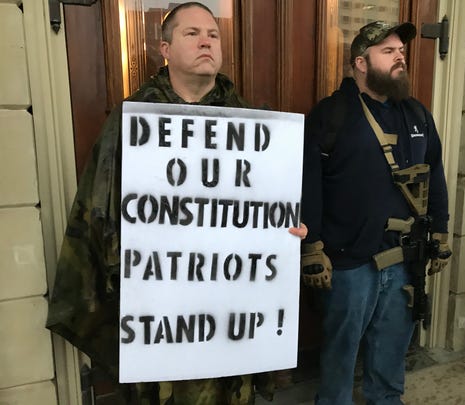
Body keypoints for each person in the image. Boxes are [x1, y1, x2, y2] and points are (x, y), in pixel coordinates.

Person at [46, 3, 306, 404]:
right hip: (161, 321)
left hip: (230, 317)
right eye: (192, 33)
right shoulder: (133, 123)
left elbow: (263, 211)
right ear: (164, 49)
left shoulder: (257, 129)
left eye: (214, 35)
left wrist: (286, 235)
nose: (206, 41)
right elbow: (97, 215)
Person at [300, 21, 451, 404]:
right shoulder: (331, 116)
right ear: (361, 63)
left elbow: (435, 174)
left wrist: (441, 231)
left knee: (392, 351)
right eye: (388, 51)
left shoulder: (418, 115)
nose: (400, 56)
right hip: (350, 263)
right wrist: (312, 246)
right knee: (340, 353)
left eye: (401, 50)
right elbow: (308, 185)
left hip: (405, 258)